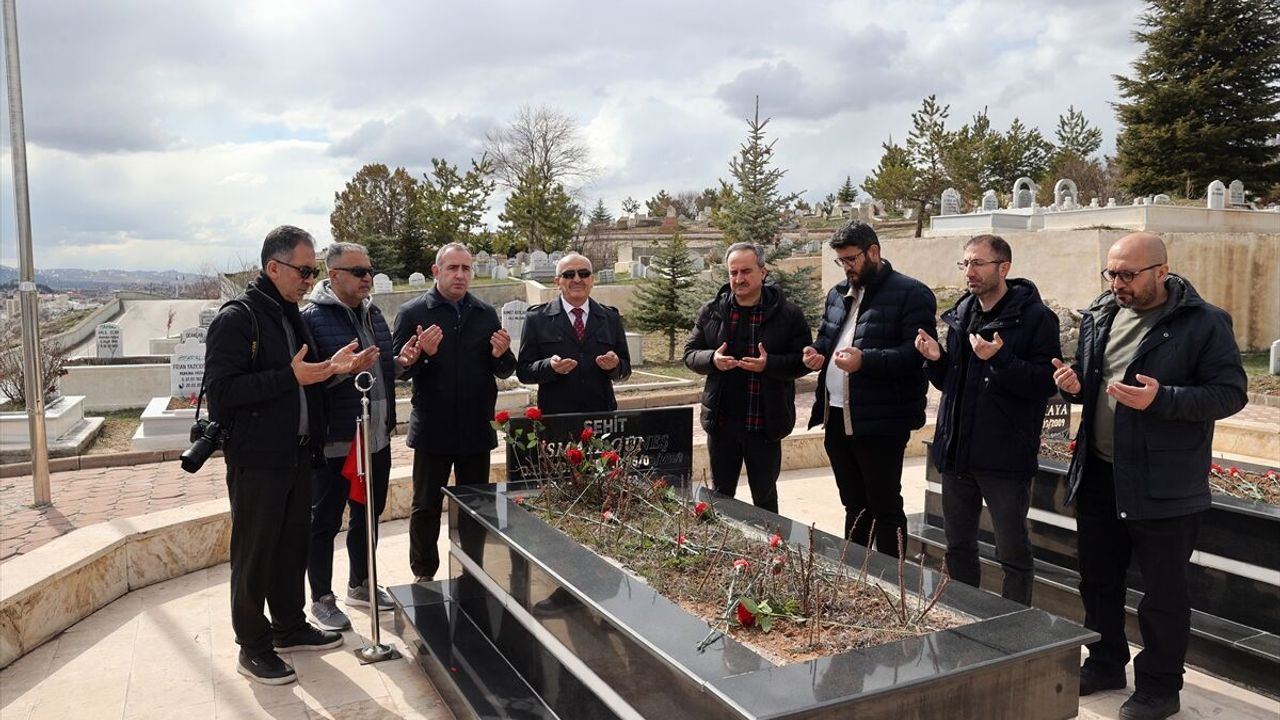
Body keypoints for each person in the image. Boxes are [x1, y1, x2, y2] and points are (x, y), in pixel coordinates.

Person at [1052, 232, 1247, 720]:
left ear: (1161, 271)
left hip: (1164, 482)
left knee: (1163, 595)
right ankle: (1105, 664)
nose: (1116, 283)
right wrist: (1075, 386)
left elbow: (1230, 393)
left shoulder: (1204, 323)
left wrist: (1164, 398)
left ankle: (1160, 687)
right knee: (1098, 581)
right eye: (1111, 273)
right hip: (1099, 474)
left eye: (1127, 274)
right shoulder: (1102, 314)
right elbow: (1097, 381)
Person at [205, 226, 375, 685]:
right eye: (304, 270)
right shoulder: (237, 319)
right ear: (273, 267)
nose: (309, 279)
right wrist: (290, 377)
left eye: (313, 271)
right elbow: (222, 393)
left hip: (298, 455)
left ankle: (289, 626)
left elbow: (304, 377)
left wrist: (333, 369)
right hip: (258, 459)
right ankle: (253, 647)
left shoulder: (290, 315)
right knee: (255, 555)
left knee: (290, 549)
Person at [915, 234, 1061, 604]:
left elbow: (1045, 383)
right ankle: (966, 616)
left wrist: (999, 358)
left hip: (1004, 459)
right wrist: (936, 360)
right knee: (958, 547)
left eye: (978, 263)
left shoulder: (1036, 318)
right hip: (956, 455)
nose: (969, 271)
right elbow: (952, 383)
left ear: (1003, 268)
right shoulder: (962, 313)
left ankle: (1013, 623)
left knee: (1012, 553)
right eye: (965, 263)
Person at [301, 242, 415, 630]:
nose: (368, 277)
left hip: (375, 437)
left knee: (368, 515)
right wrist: (340, 371)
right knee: (325, 522)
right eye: (359, 272)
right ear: (333, 276)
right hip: (336, 441)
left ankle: (361, 583)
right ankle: (321, 598)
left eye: (369, 270)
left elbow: (377, 371)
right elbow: (308, 382)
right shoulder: (312, 319)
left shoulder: (372, 313)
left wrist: (402, 363)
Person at [805, 220, 936, 553]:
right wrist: (816, 353)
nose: (846, 267)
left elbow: (915, 355)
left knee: (884, 505)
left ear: (873, 252)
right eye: (841, 261)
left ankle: (892, 577)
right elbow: (827, 338)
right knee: (854, 505)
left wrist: (865, 361)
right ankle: (855, 572)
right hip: (837, 417)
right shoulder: (837, 294)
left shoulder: (912, 294)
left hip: (882, 421)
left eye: (851, 259)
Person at [392, 243, 516, 583]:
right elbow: (398, 370)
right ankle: (424, 574)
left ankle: (471, 571)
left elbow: (504, 368)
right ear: (436, 271)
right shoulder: (413, 313)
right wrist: (422, 355)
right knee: (425, 506)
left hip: (475, 428)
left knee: (476, 506)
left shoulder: (485, 313)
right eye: (452, 268)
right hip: (434, 429)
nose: (460, 275)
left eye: (466, 268)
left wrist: (501, 354)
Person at [683, 242, 811, 513]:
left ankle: (771, 542)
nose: (739, 279)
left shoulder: (788, 314)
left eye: (746, 271)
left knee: (765, 501)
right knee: (721, 499)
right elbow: (690, 354)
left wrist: (769, 364)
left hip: (765, 425)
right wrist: (712, 360)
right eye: (734, 272)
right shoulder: (712, 311)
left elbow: (803, 361)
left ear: (763, 272)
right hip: (722, 426)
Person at [517, 252, 631, 414]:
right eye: (569, 274)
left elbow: (625, 370)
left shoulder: (610, 318)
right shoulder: (537, 318)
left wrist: (615, 365)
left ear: (592, 280)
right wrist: (549, 366)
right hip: (556, 416)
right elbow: (524, 372)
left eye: (584, 274)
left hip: (600, 415)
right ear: (557, 281)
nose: (577, 279)